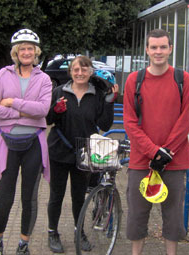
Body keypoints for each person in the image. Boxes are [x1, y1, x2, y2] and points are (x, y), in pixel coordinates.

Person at [123, 29, 189, 255]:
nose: (158, 51)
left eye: (163, 47)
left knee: (173, 218)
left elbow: (187, 120)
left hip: (175, 161)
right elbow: (130, 122)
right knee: (137, 215)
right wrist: (154, 151)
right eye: (154, 47)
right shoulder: (134, 80)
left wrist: (167, 151)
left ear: (171, 49)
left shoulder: (183, 79)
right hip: (141, 161)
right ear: (147, 50)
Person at [0, 28, 52, 255]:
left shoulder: (43, 79)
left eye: (30, 49)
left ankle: (23, 243)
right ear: (16, 52)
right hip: (7, 144)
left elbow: (43, 109)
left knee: (28, 198)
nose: (26, 52)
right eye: (22, 48)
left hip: (34, 144)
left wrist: (12, 101)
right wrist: (24, 114)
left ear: (36, 52)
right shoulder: (4, 75)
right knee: (5, 198)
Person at [46, 56, 119, 253]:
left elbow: (104, 125)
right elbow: (47, 120)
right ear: (70, 72)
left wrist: (110, 102)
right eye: (76, 69)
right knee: (56, 195)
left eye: (84, 70)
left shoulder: (97, 95)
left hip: (84, 153)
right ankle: (52, 232)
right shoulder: (59, 92)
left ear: (90, 72)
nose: (80, 73)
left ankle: (80, 232)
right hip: (59, 151)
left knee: (79, 196)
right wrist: (55, 110)